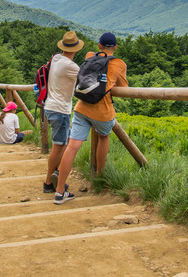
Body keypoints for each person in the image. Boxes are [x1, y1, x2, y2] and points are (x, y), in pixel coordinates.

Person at [54, 32, 127, 204]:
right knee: (104, 137)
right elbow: (123, 86)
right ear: (115, 47)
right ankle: (99, 177)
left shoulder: (89, 56)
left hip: (81, 108)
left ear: (99, 46)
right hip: (103, 112)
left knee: (72, 147)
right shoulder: (119, 63)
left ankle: (59, 191)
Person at [42, 31, 84, 194]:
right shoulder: (71, 66)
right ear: (76, 48)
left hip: (51, 106)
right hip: (60, 110)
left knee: (64, 143)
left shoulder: (57, 58)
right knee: (59, 146)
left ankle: (56, 174)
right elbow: (86, 80)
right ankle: (48, 182)